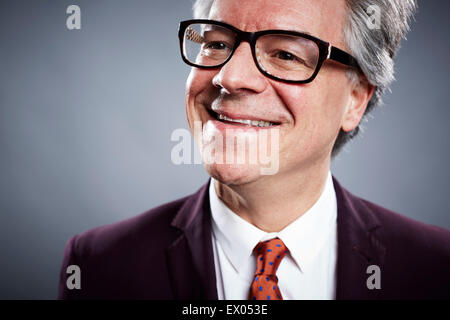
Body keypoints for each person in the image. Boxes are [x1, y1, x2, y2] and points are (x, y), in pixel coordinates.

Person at [58, 0, 450, 300]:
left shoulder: (435, 268)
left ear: (356, 99)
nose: (230, 77)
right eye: (216, 43)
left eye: (285, 54)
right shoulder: (100, 267)